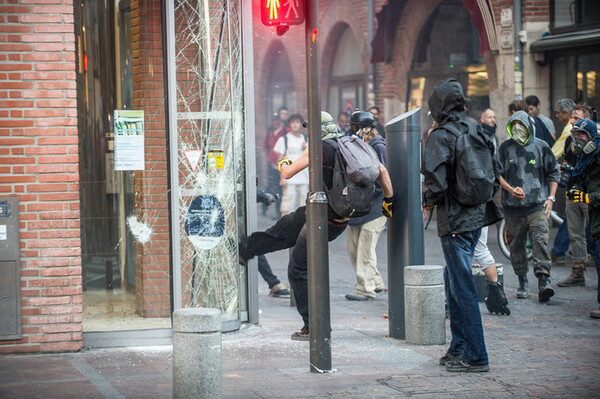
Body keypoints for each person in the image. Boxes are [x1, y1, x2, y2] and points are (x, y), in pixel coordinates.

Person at [241, 111, 394, 341]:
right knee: (284, 228)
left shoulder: (319, 148)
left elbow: (288, 171)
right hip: (331, 216)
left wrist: (283, 160)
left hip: (323, 218)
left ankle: (315, 327)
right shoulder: (348, 144)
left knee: (298, 269)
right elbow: (382, 170)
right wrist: (389, 201)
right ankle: (246, 248)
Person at [422, 79, 502, 372]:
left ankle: (476, 355)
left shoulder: (440, 135)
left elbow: (436, 182)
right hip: (477, 216)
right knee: (453, 281)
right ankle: (458, 348)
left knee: (463, 286)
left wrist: (428, 200)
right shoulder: (476, 128)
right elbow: (496, 171)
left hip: (454, 218)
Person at [498, 110, 560, 302]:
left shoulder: (541, 147)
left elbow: (554, 173)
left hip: (537, 206)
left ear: (528, 126)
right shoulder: (504, 148)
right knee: (516, 247)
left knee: (540, 241)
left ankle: (544, 282)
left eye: (521, 125)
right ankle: (522, 281)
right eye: (514, 125)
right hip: (513, 209)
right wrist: (510, 189)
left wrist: (551, 198)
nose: (518, 129)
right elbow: (496, 174)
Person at [344, 110, 387, 301]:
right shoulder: (359, 144)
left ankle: (365, 288)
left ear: (368, 128)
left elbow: (383, 177)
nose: (353, 131)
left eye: (356, 128)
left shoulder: (378, 146)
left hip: (376, 205)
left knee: (365, 249)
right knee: (354, 248)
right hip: (359, 205)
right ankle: (376, 282)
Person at [563, 118, 600, 318]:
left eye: (582, 134)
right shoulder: (578, 152)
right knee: (578, 236)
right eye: (575, 134)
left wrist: (587, 197)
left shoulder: (596, 152)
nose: (578, 138)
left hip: (592, 203)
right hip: (582, 200)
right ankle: (578, 271)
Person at [475, 108, 510, 315]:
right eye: (490, 117)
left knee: (464, 251)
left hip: (474, 209)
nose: (493, 120)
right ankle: (497, 294)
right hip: (483, 204)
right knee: (480, 249)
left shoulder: (488, 142)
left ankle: (495, 294)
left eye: (495, 117)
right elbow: (495, 175)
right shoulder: (488, 145)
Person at [558, 106, 595, 287]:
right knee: (575, 234)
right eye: (572, 118)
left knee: (595, 234)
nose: (572, 121)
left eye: (577, 118)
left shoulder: (595, 147)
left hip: (589, 196)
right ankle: (578, 272)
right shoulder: (569, 142)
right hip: (572, 193)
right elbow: (566, 163)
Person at [256, 187, 291, 297]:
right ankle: (273, 283)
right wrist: (266, 197)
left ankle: (273, 283)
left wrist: (265, 197)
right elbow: (248, 187)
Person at [273, 113, 309, 216]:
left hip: (304, 178)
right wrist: (282, 178)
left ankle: (301, 230)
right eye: (293, 122)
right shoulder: (284, 139)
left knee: (303, 207)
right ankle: (287, 229)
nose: (295, 125)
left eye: (297, 122)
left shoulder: (306, 139)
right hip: (290, 178)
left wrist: (307, 147)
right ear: (289, 124)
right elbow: (280, 159)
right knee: (288, 207)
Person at [263, 110, 287, 218]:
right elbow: (265, 145)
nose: (275, 122)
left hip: (282, 166)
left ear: (280, 121)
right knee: (270, 187)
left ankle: (279, 212)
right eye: (273, 120)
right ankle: (264, 208)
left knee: (279, 189)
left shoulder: (286, 131)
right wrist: (269, 156)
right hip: (272, 165)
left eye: (277, 120)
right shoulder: (270, 131)